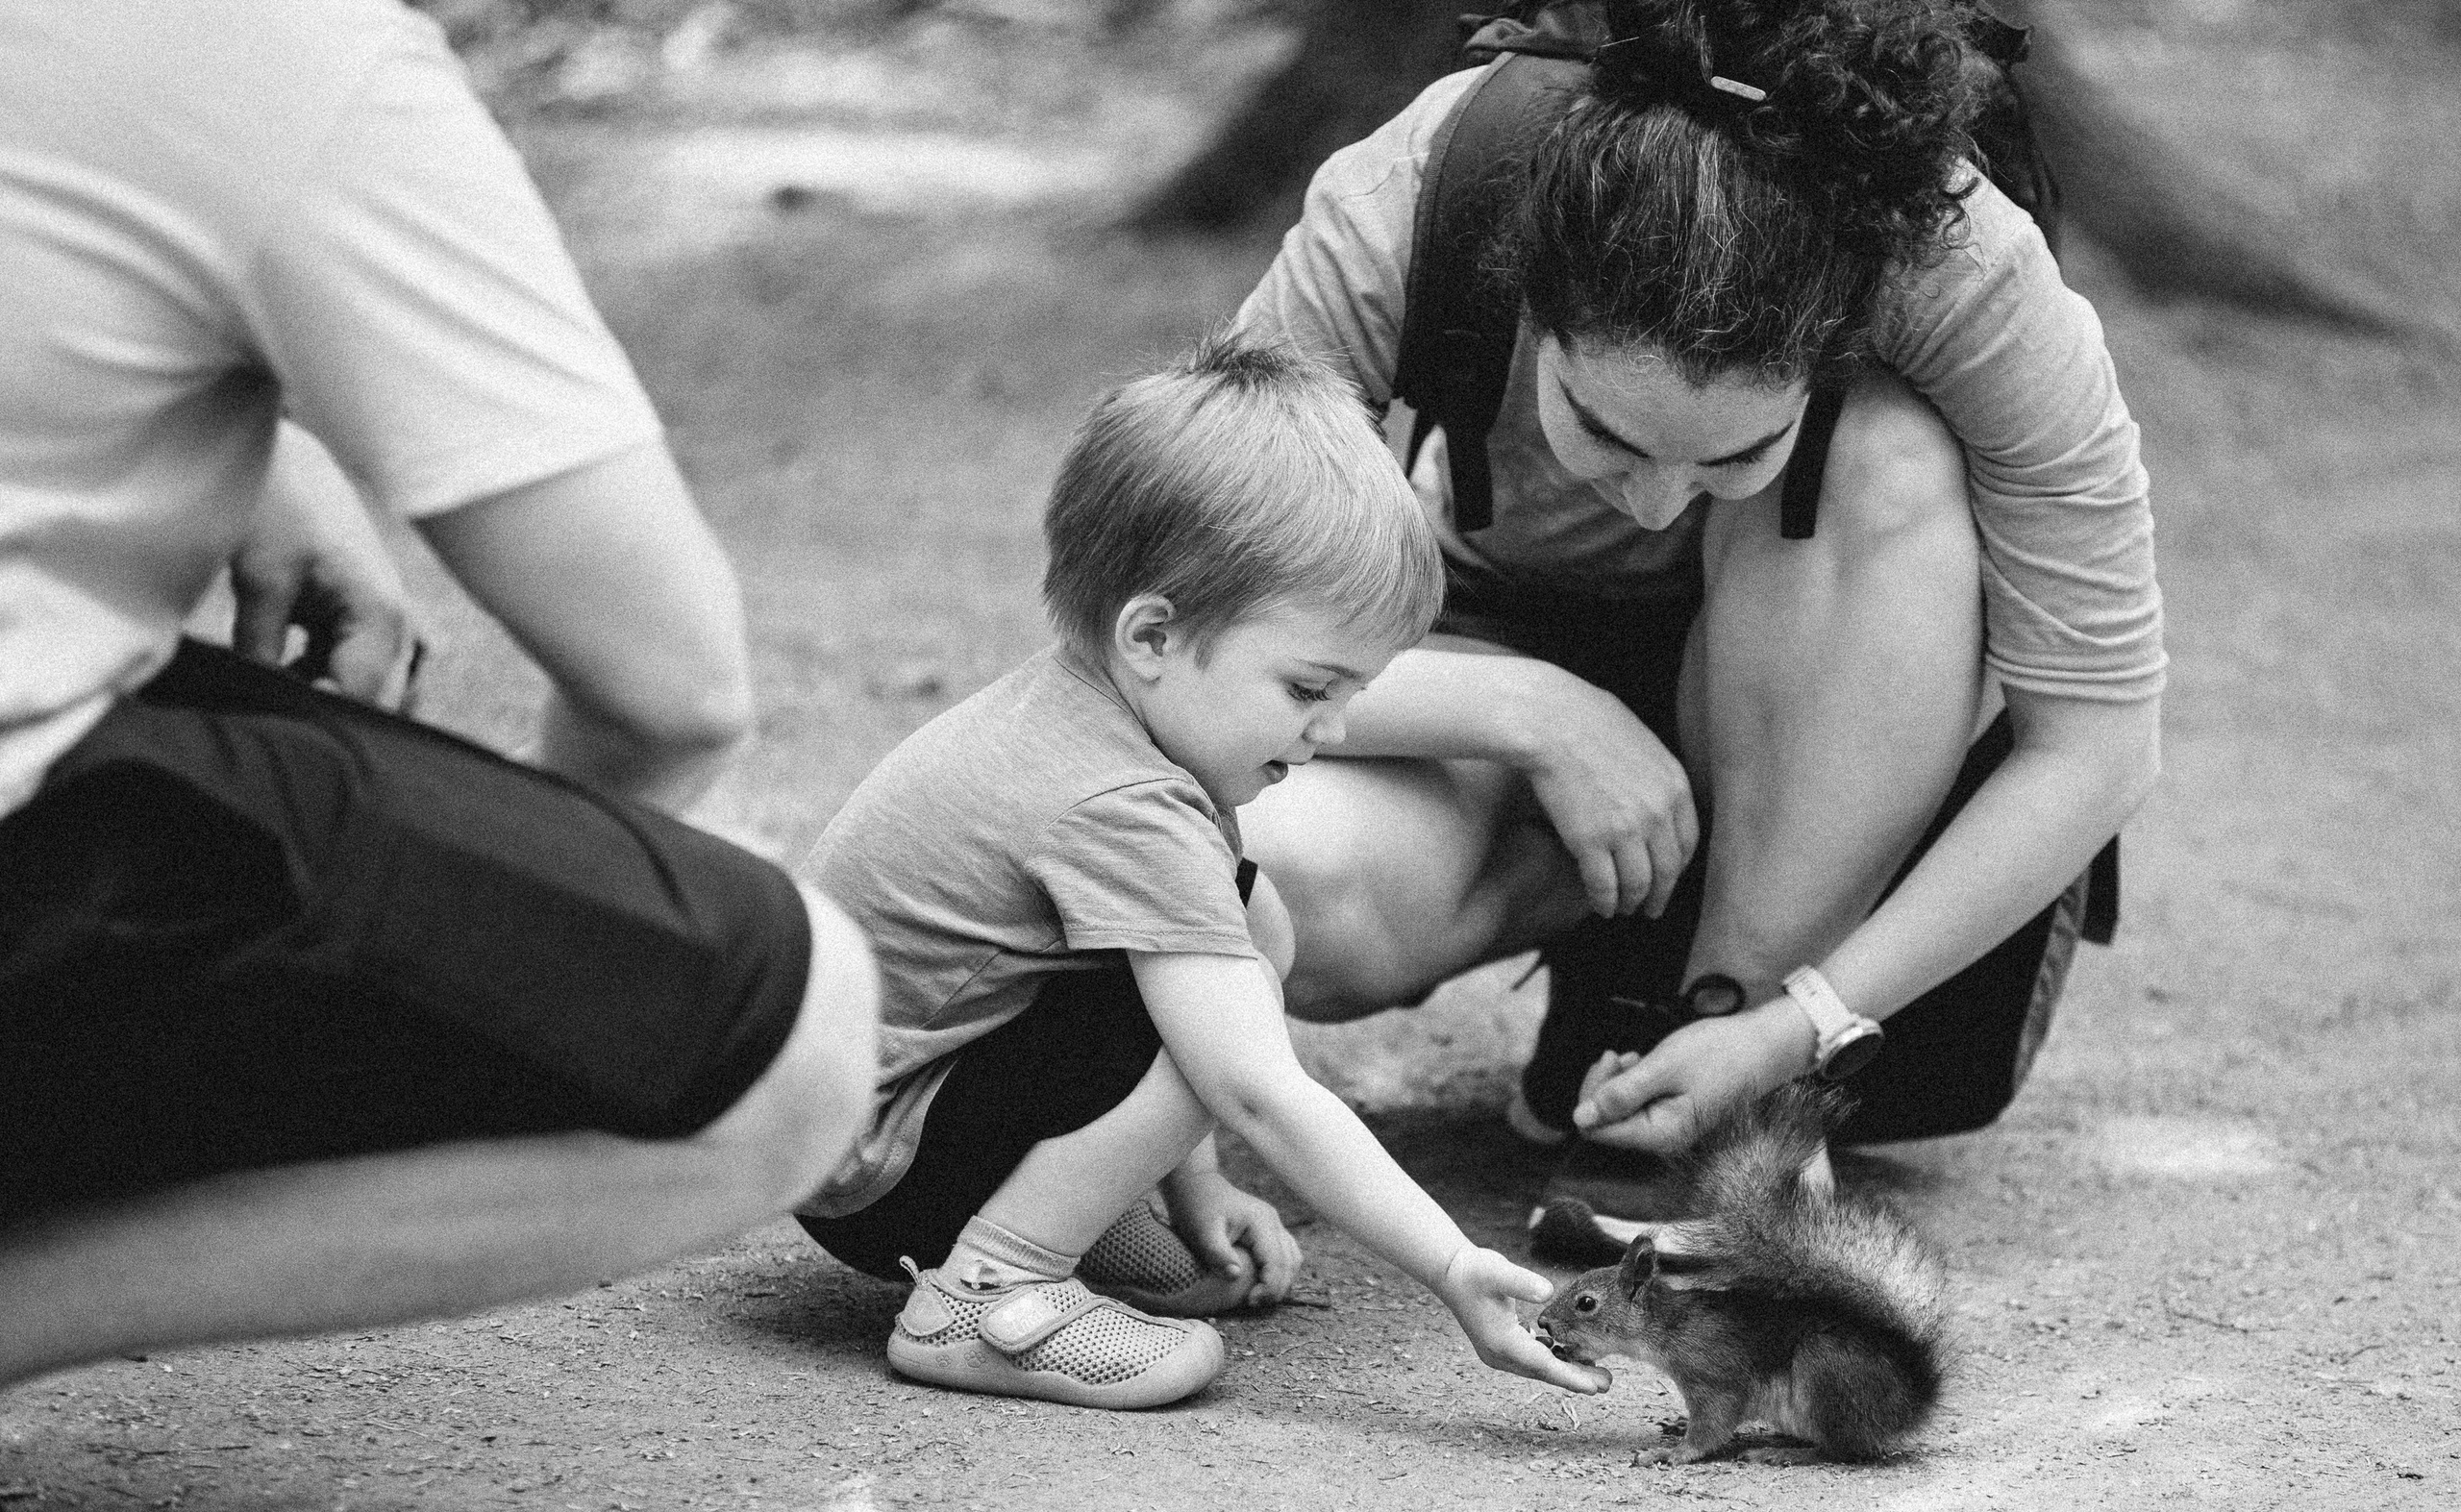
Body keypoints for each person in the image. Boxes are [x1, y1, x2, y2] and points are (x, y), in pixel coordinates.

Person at [0, 0, 877, 1388]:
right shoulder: (281, 51)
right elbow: (672, 684)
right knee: (796, 1020)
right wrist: (547, 940)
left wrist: (260, 443)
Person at [1230, 0, 2164, 1227]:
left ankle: (1728, 1069)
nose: (1662, 496)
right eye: (1605, 432)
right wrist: (1534, 713)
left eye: (1734, 451)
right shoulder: (1409, 199)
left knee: (1885, 459)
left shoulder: (1965, 269)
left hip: (1831, 709)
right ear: (1533, 300)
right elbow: (1186, 642)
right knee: (1278, 876)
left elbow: (2095, 742)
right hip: (1494, 671)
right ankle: (1620, 979)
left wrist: (1804, 1023)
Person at [794, 337, 1607, 1410]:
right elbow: (1252, 1085)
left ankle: (1061, 1219)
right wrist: (1451, 1263)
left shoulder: (1098, 718)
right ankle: (988, 1290)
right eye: (1310, 684)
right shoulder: (1123, 802)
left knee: (1249, 926)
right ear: (1154, 635)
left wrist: (1196, 1182)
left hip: (856, 1122)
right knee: (1233, 991)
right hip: (876, 1164)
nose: (1340, 724)